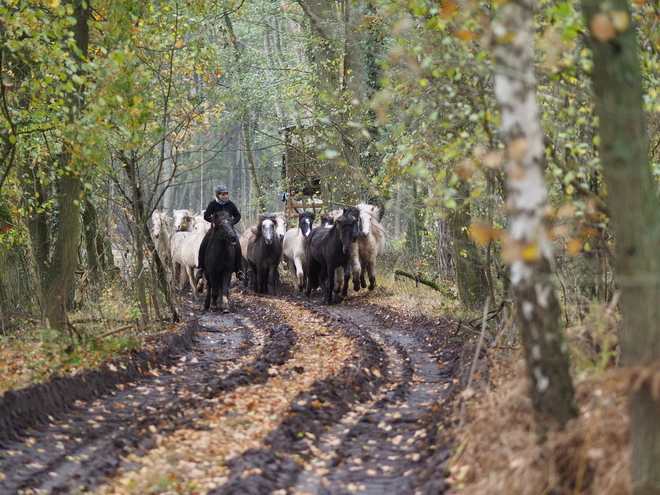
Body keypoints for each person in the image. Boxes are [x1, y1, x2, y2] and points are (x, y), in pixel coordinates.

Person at [195, 184, 246, 281]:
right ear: (218, 195)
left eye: (226, 194)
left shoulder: (230, 204)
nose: (225, 196)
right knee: (203, 244)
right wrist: (215, 222)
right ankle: (200, 268)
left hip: (228, 229)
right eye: (223, 194)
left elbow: (238, 216)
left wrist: (231, 223)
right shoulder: (213, 204)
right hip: (215, 229)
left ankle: (239, 270)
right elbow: (206, 216)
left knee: (238, 247)